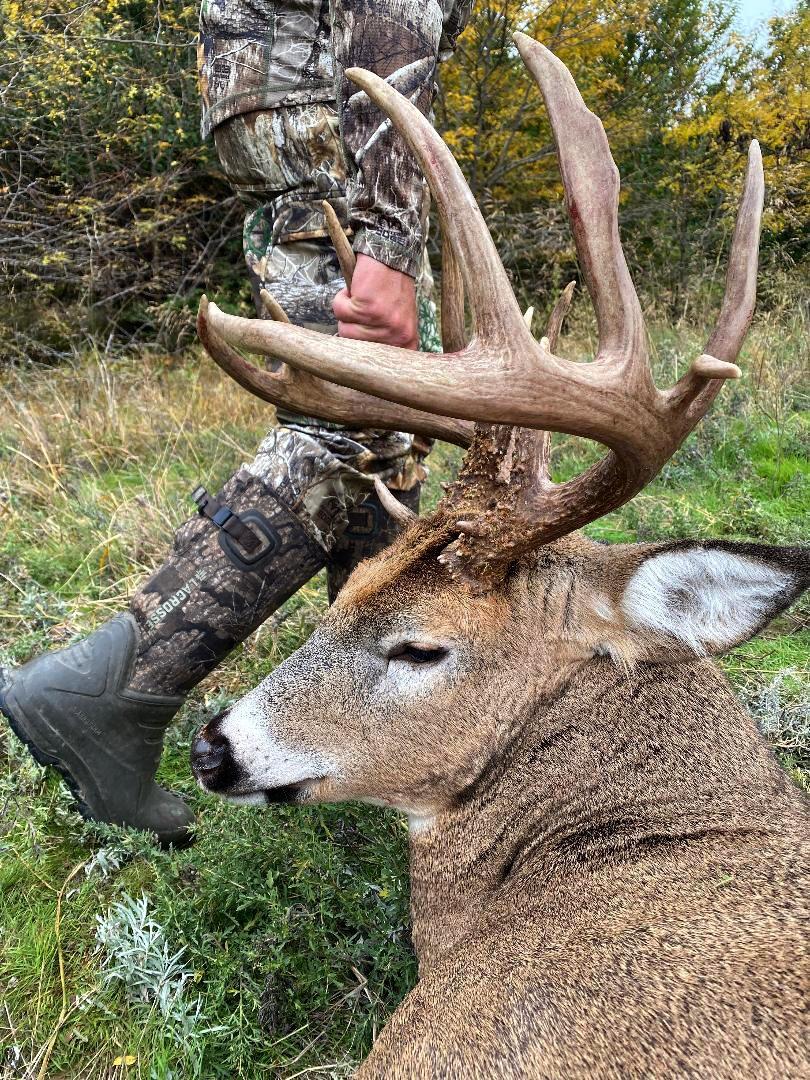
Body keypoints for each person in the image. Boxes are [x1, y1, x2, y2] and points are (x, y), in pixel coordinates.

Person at [0, 0, 472, 846]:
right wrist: (390, 244)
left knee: (387, 447)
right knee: (350, 432)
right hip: (338, 111)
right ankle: (106, 695)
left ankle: (373, 731)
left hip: (286, 97)